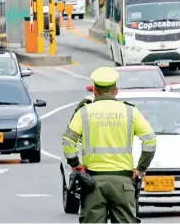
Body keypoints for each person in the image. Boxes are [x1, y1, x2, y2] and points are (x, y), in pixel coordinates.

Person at [62, 67, 157, 223]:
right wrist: (141, 168)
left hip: (93, 184)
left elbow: (68, 141)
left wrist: (75, 164)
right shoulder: (130, 111)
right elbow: (150, 141)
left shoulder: (84, 112)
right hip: (123, 184)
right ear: (116, 91)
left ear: (95, 91)